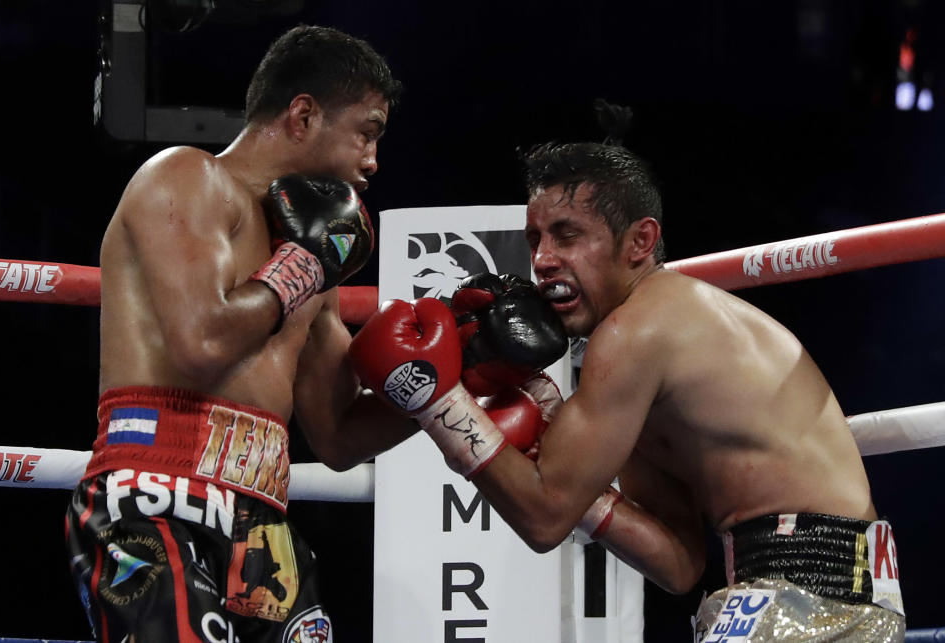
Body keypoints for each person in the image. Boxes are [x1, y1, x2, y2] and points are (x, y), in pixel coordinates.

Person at [349, 142, 906, 641]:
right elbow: (680, 564)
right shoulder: (640, 363)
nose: (542, 260)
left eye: (567, 235)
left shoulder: (638, 328)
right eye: (535, 239)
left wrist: (438, 402)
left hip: (817, 600)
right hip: (806, 593)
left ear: (640, 241)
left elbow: (543, 519)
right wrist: (554, 446)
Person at [65, 24, 416, 642]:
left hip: (262, 520)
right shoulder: (187, 179)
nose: (372, 162)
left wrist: (455, 380)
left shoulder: (315, 254)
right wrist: (302, 266)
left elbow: (337, 437)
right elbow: (201, 345)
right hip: (155, 497)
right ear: (303, 114)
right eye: (366, 132)